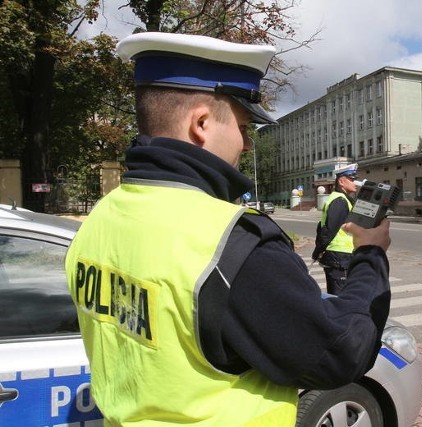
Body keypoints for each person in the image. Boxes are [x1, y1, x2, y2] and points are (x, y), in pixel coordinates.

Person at [65, 32, 392, 427]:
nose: (247, 145)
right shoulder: (231, 243)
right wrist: (371, 255)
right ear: (201, 123)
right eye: (242, 125)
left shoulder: (100, 218)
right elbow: (341, 353)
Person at [312, 163, 360, 294]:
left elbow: (321, 226)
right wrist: (318, 251)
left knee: (341, 297)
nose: (355, 182)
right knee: (339, 299)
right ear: (341, 181)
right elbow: (328, 229)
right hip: (339, 257)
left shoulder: (342, 198)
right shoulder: (340, 201)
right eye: (352, 179)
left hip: (341, 256)